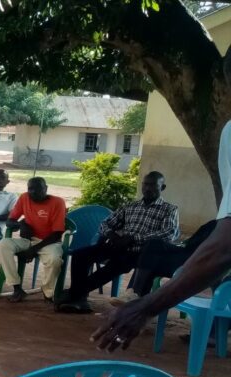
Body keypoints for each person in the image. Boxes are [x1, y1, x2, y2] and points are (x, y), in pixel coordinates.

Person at [95, 55, 231, 351]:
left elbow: (223, 246)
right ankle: (134, 292)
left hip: (184, 253)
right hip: (175, 252)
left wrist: (146, 308)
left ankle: (137, 296)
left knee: (155, 247)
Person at [57, 172, 179, 314]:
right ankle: (79, 297)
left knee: (114, 266)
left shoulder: (169, 209)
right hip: (118, 244)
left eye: (153, 185)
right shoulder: (130, 206)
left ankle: (74, 295)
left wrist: (133, 238)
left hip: (141, 251)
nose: (148, 188)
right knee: (80, 255)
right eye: (145, 184)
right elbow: (105, 223)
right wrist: (112, 235)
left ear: (162, 187)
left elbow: (169, 233)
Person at [0, 177, 67, 303]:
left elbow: (57, 233)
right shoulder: (24, 198)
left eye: (38, 189)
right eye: (30, 189)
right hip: (28, 240)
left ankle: (48, 293)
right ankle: (17, 288)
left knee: (54, 260)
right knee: (3, 245)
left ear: (46, 189)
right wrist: (21, 225)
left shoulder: (58, 202)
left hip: (49, 242)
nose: (33, 192)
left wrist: (34, 249)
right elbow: (9, 221)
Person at [127, 219, 216, 297]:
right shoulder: (216, 222)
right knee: (152, 245)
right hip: (186, 252)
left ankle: (134, 296)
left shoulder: (224, 229)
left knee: (149, 260)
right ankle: (133, 295)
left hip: (196, 261)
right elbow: (189, 243)